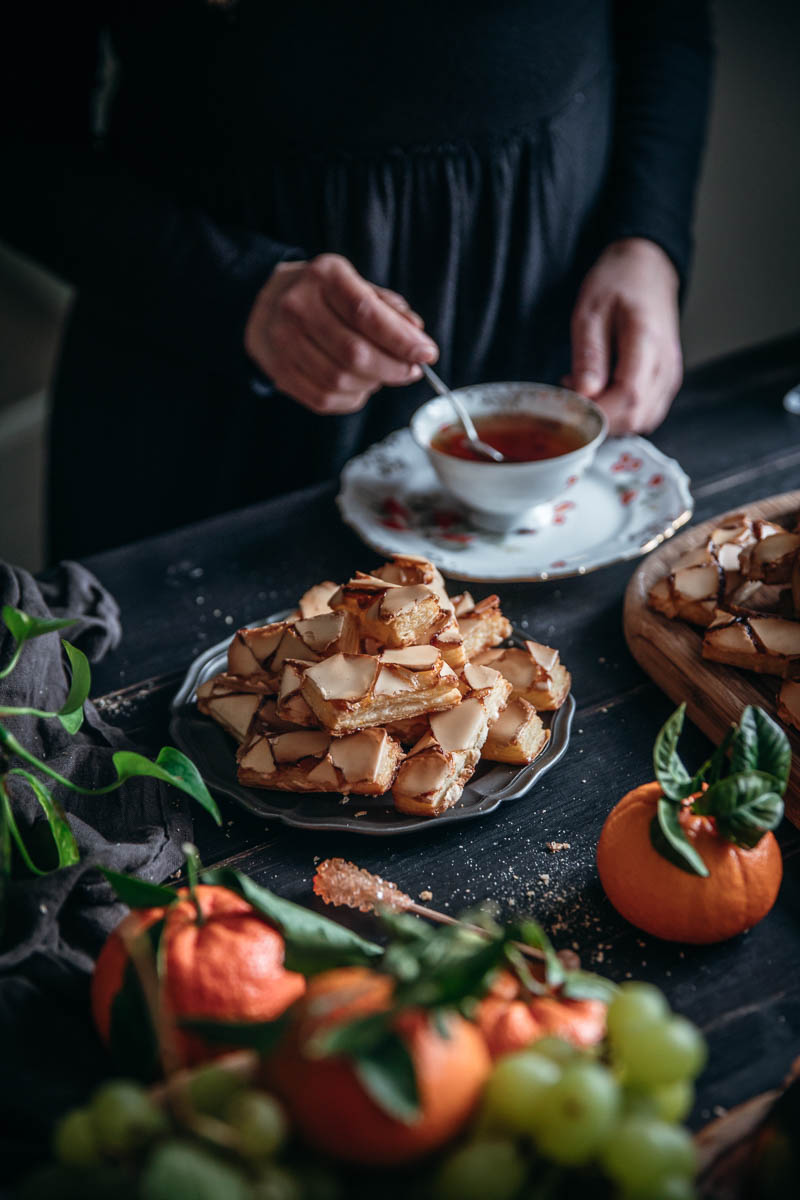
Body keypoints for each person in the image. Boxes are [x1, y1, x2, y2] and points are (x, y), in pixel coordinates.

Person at [2, 2, 712, 561]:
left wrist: (647, 234)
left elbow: (666, 21)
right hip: (199, 362)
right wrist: (230, 289)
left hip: (539, 310)